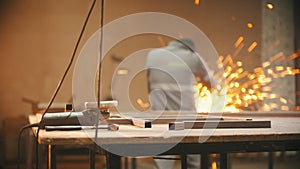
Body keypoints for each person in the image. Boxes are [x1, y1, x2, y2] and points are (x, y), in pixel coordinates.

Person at [146, 38, 215, 169]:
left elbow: (149, 86)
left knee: (163, 159)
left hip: (159, 118)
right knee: (193, 160)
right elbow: (212, 83)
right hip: (187, 117)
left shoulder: (152, 55)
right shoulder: (192, 56)